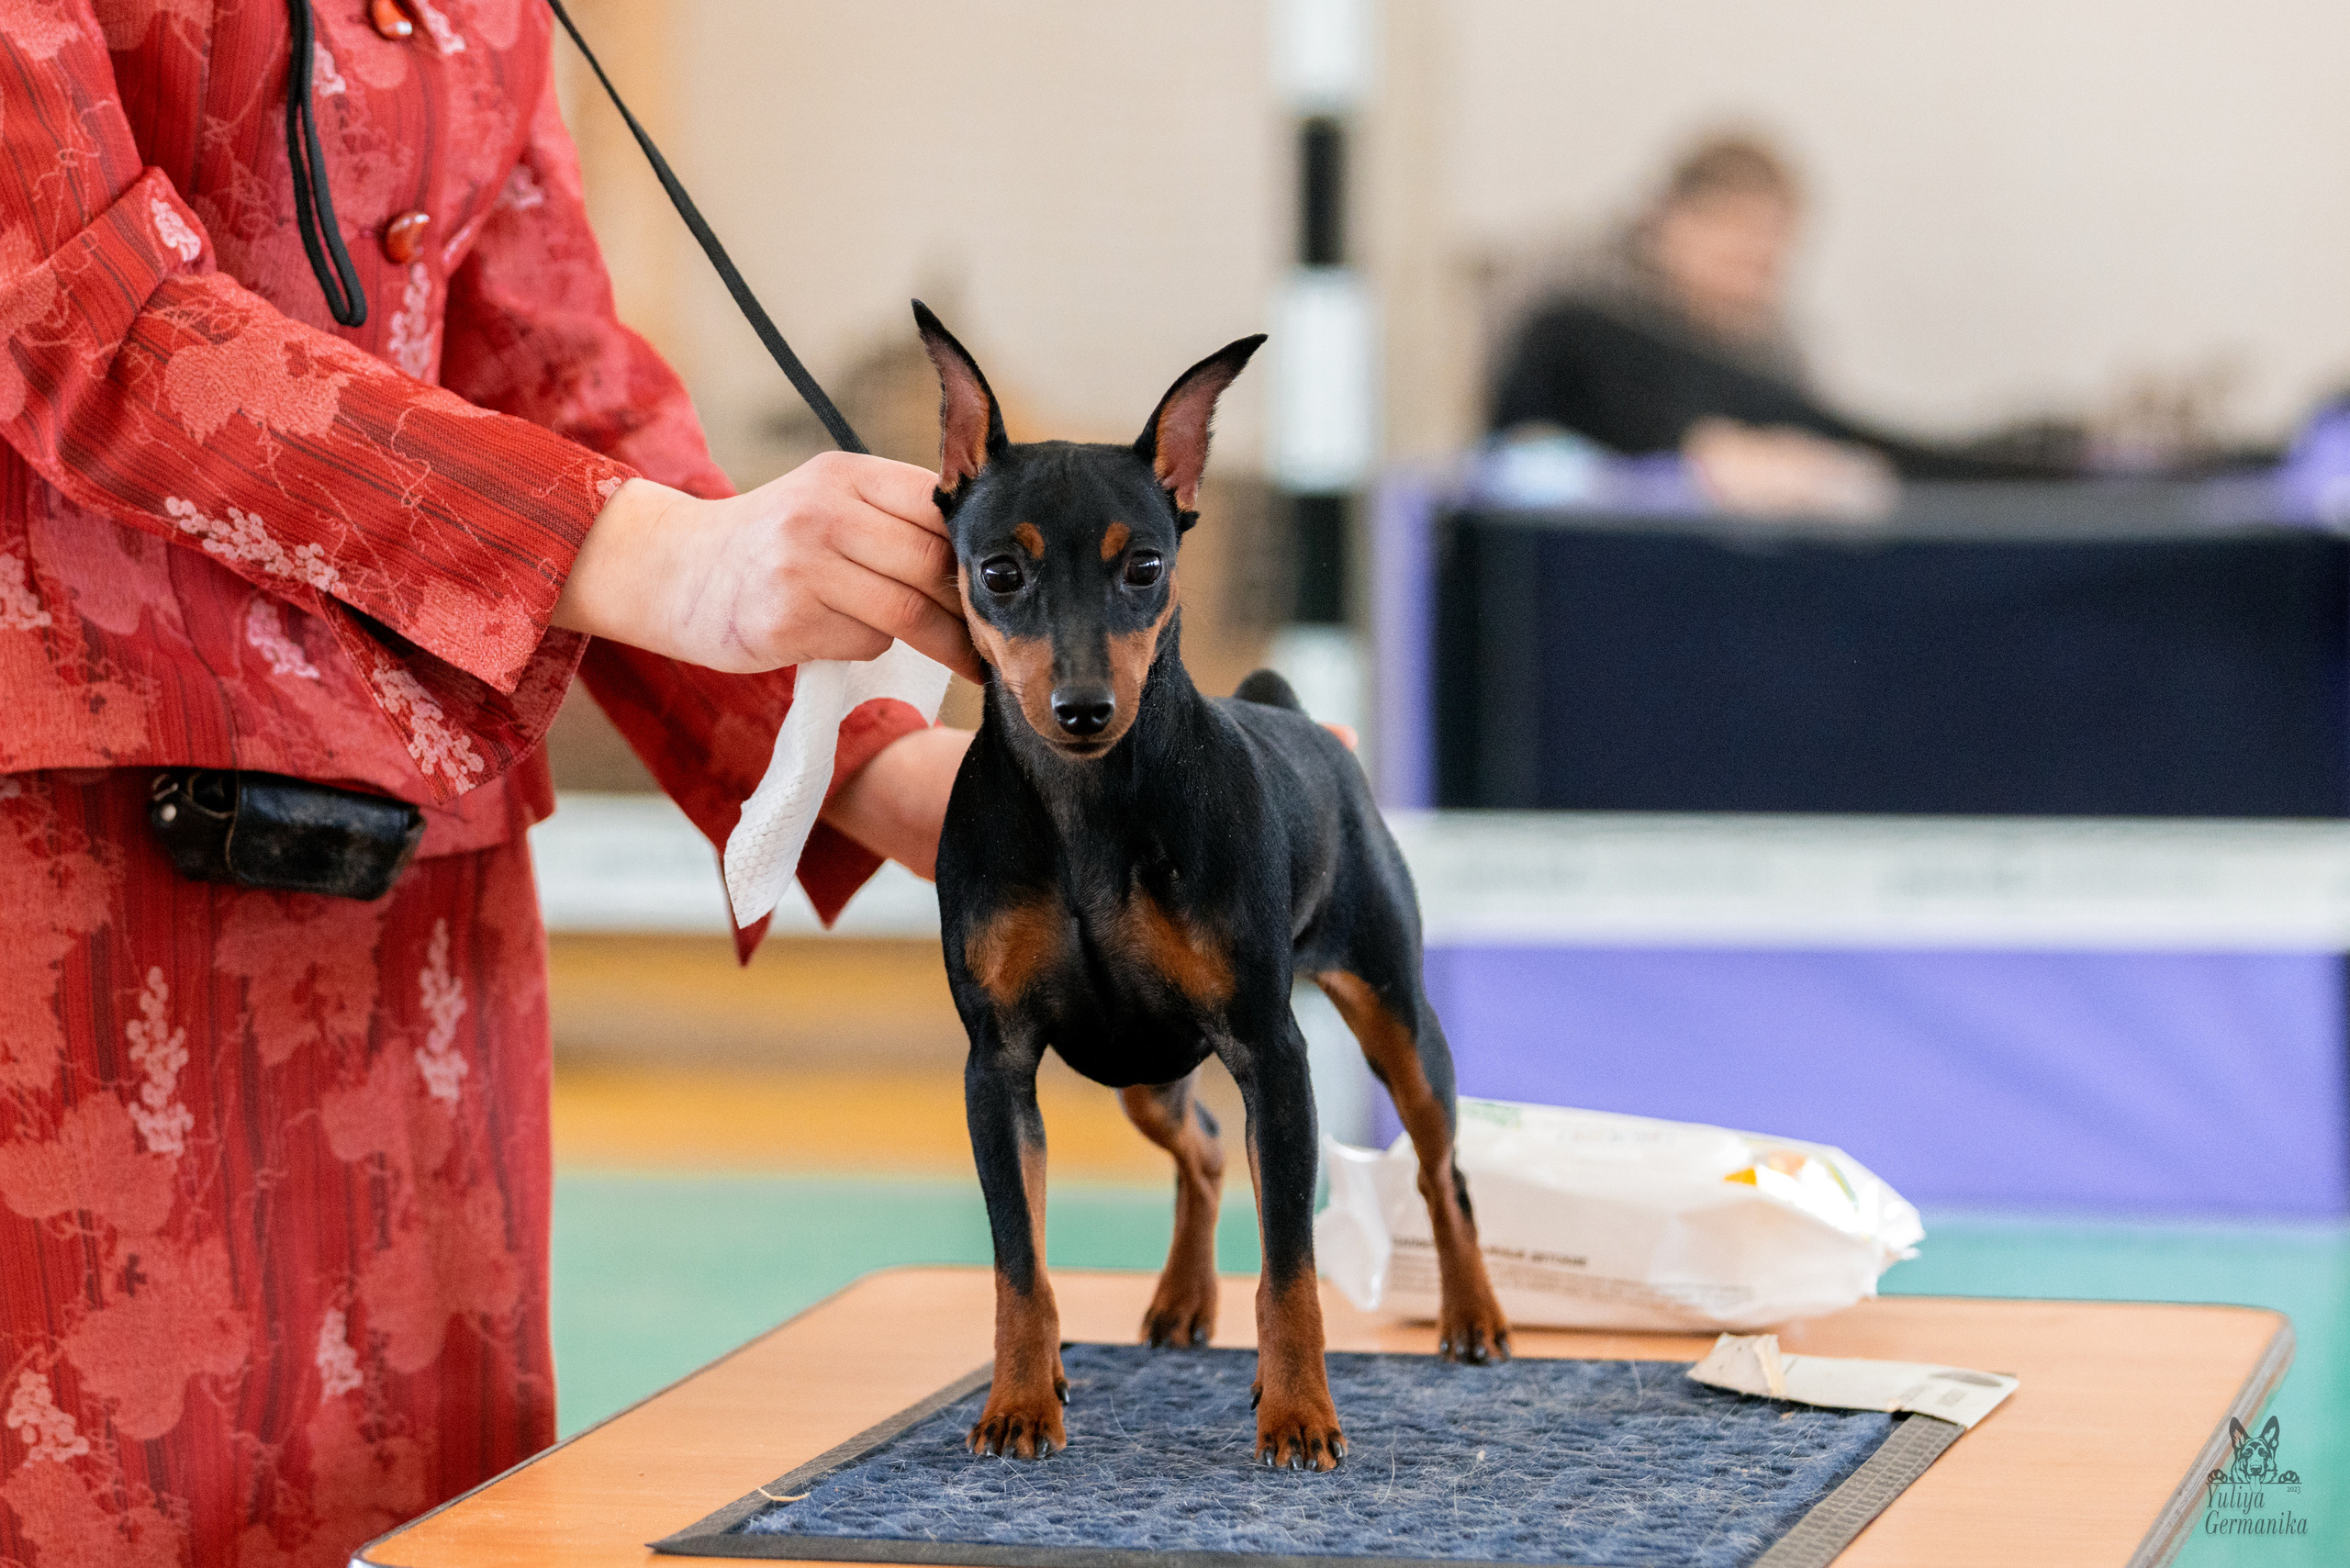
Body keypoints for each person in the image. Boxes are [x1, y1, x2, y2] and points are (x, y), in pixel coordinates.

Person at [0, 5, 972, 1564]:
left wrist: (899, 773)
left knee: (448, 1519)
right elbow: (78, 308)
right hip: (78, 914)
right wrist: (668, 553)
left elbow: (557, 374)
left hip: (419, 926)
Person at [1488, 130, 2070, 510]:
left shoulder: (1774, 349)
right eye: (1735, 253)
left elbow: (1817, 440)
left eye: (1769, 263)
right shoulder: (1572, 320)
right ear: (1672, 223)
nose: (1752, 279)